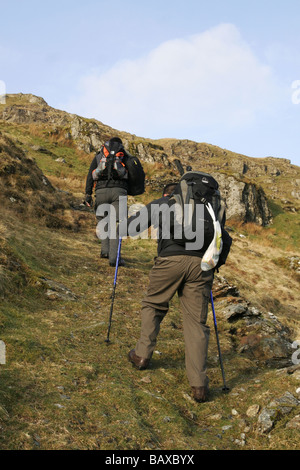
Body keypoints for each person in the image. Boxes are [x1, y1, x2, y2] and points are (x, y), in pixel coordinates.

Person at [127, 180, 232, 403]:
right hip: (201, 266)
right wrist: (216, 265)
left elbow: (133, 227)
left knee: (154, 305)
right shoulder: (211, 209)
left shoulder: (168, 202)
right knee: (196, 323)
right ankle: (199, 385)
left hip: (170, 260)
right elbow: (226, 239)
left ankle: (142, 356)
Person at [85, 137, 128, 267]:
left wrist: (88, 194)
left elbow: (89, 175)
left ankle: (105, 251)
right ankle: (114, 258)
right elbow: (132, 174)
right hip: (119, 192)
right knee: (116, 224)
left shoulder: (99, 156)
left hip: (101, 191)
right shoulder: (124, 155)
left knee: (103, 221)